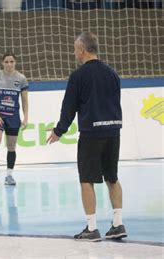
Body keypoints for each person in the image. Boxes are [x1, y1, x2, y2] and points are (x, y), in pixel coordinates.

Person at [47, 32, 127, 241]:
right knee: (112, 177)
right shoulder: (112, 73)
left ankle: (92, 228)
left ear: (82, 50)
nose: (74, 53)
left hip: (91, 134)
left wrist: (58, 131)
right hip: (112, 131)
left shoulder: (79, 75)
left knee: (87, 180)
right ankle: (118, 224)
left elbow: (69, 108)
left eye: (75, 49)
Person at [0, 53, 29, 185]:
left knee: (11, 146)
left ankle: (9, 176)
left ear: (15, 63)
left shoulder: (21, 79)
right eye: (6, 62)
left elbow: (24, 100)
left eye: (11, 61)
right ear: (2, 63)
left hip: (13, 117)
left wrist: (26, 117)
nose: (9, 64)